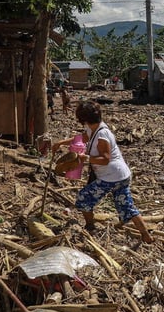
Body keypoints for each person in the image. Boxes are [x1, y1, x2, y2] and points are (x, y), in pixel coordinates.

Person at [63, 100, 153, 243]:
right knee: (126, 206)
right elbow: (81, 138)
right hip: (121, 175)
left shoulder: (102, 134)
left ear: (84, 119)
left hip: (111, 177)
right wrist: (60, 143)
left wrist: (85, 158)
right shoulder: (94, 128)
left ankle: (90, 226)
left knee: (83, 198)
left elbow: (105, 159)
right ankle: (146, 234)